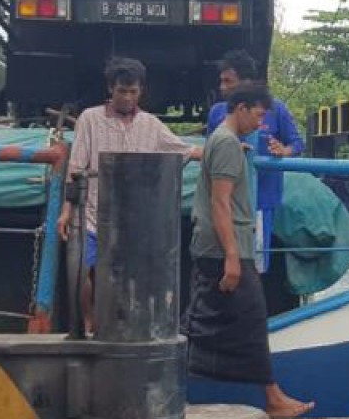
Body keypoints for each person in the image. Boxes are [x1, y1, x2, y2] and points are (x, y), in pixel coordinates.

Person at [185, 81, 314, 418]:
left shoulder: (225, 142)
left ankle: (272, 396)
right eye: (257, 115)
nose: (260, 124)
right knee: (250, 320)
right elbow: (221, 203)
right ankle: (273, 399)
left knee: (217, 320)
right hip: (226, 248)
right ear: (241, 108)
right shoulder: (227, 144)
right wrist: (231, 257)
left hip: (224, 246)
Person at [57, 57, 198, 336]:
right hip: (93, 210)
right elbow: (76, 167)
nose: (127, 97)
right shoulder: (90, 119)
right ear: (111, 89)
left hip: (133, 217)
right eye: (122, 91)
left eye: (133, 91)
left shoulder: (150, 125)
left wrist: (224, 149)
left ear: (140, 92)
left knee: (125, 277)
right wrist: (66, 211)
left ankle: (123, 325)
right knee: (83, 270)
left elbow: (184, 150)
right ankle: (89, 323)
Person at [205, 49, 304, 271]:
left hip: (261, 199)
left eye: (228, 81)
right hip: (227, 199)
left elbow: (297, 143)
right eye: (221, 81)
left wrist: (283, 150)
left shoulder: (276, 109)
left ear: (246, 83)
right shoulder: (217, 113)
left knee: (255, 263)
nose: (222, 87)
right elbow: (211, 150)